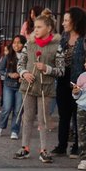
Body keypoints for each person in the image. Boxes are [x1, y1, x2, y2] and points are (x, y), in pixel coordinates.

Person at [14, 12, 64, 163]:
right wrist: (24, 73)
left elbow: (61, 71)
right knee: (27, 117)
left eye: (39, 27)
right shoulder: (28, 44)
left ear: (49, 28)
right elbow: (20, 64)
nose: (35, 29)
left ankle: (44, 150)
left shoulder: (57, 46)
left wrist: (47, 68)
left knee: (43, 119)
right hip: (28, 86)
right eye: (35, 27)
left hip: (46, 89)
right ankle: (25, 147)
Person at [53, 7, 86, 158]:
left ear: (75, 21)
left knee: (78, 116)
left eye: (66, 20)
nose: (63, 23)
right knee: (63, 115)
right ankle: (61, 146)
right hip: (62, 81)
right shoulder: (61, 40)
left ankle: (77, 147)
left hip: (80, 84)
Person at [0, 35, 25, 139]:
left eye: (19, 43)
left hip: (21, 87)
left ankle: (14, 131)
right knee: (6, 108)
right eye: (14, 42)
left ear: (24, 44)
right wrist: (9, 74)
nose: (16, 45)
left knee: (18, 110)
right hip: (8, 86)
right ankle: (0, 126)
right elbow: (0, 70)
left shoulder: (26, 57)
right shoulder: (8, 56)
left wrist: (23, 77)